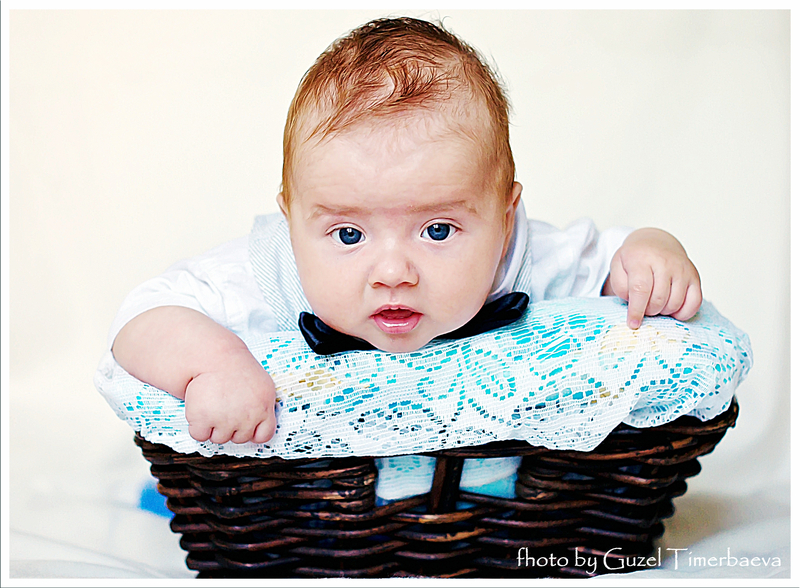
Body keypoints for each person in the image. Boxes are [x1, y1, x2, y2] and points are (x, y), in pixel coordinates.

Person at [108, 17, 702, 448]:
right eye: (348, 235)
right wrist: (214, 364)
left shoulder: (522, 260)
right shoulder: (272, 275)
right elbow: (142, 317)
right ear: (292, 221)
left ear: (505, 218)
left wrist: (651, 253)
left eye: (438, 230)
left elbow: (611, 266)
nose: (393, 271)